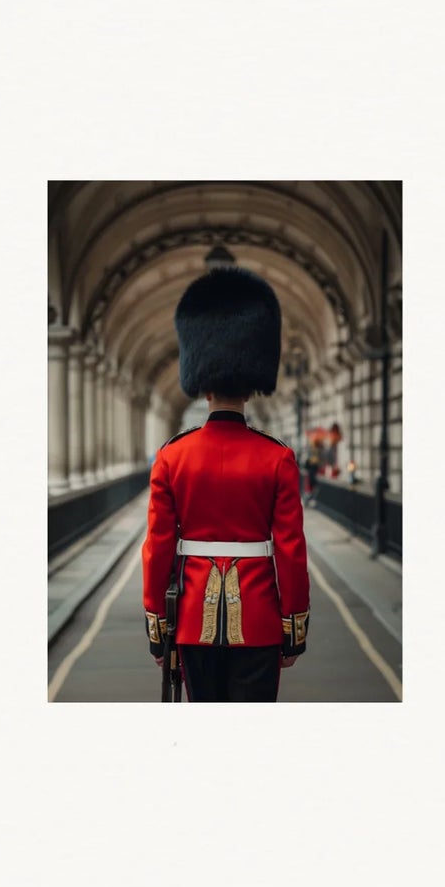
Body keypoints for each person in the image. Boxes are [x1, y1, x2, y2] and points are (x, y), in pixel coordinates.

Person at [140, 265, 310, 702]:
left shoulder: (171, 457)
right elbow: (290, 551)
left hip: (192, 622)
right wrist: (293, 627)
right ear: (253, 385)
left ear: (201, 386)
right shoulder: (278, 457)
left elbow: (157, 549)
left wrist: (159, 626)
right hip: (259, 622)